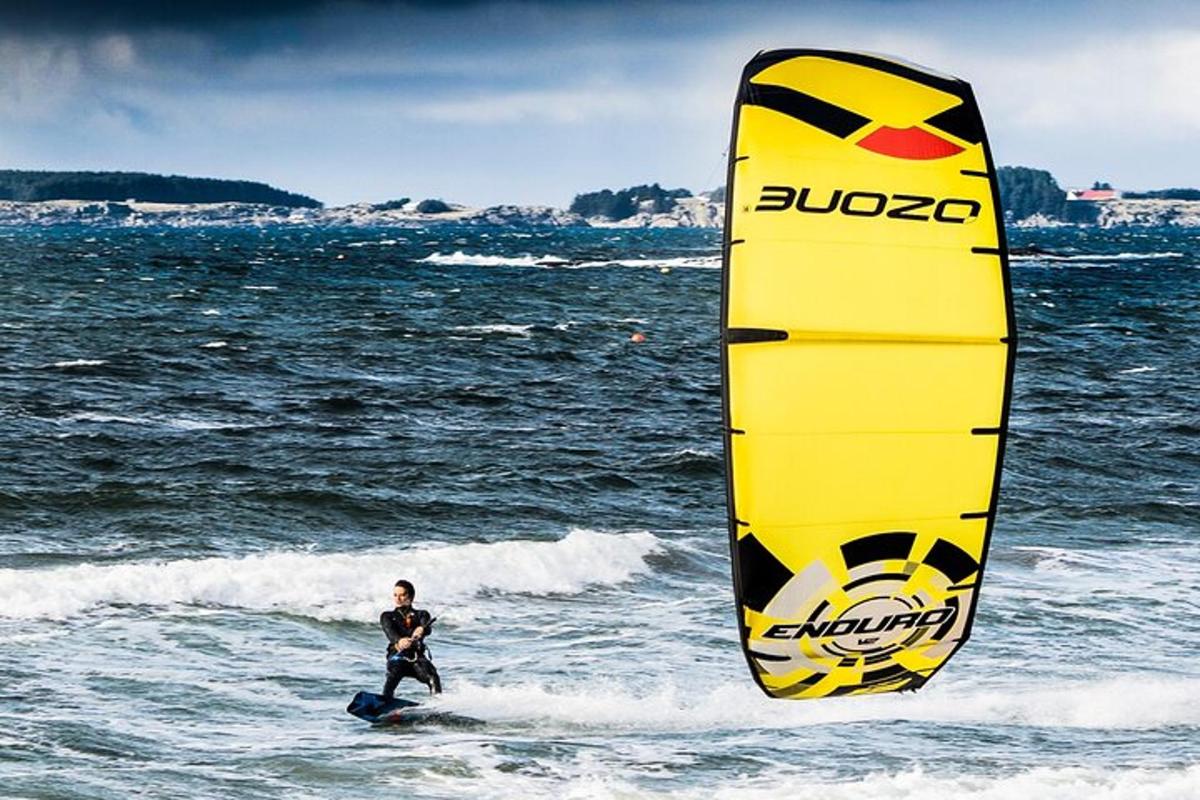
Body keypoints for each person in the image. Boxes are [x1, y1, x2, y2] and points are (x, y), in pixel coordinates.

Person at [380, 579, 441, 697]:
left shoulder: (422, 614)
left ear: (411, 597)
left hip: (416, 657)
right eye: (395, 595)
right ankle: (385, 701)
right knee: (393, 674)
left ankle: (438, 705)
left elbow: (427, 628)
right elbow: (390, 632)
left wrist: (422, 629)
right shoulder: (387, 616)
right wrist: (399, 640)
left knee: (433, 676)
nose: (398, 598)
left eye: (402, 595)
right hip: (397, 655)